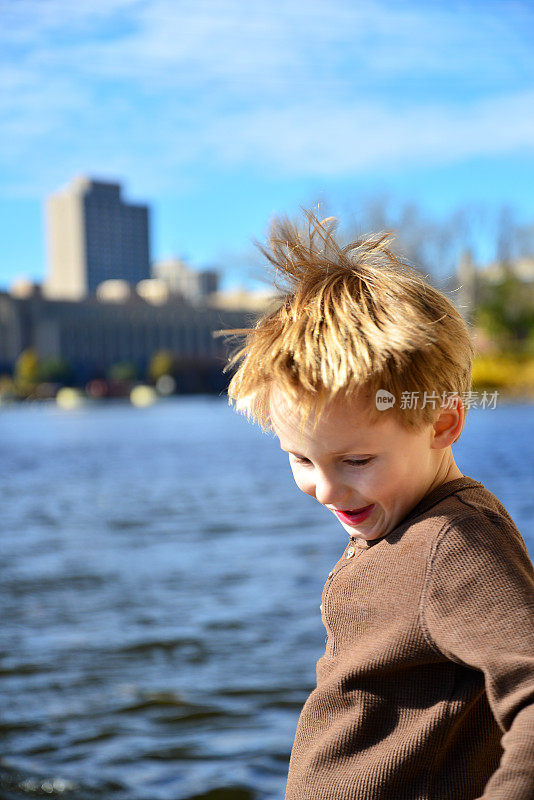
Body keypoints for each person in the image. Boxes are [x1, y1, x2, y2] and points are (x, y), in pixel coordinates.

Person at [217, 209, 534, 800]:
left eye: (356, 462)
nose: (327, 490)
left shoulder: (455, 545)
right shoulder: (402, 523)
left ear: (442, 422)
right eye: (302, 460)